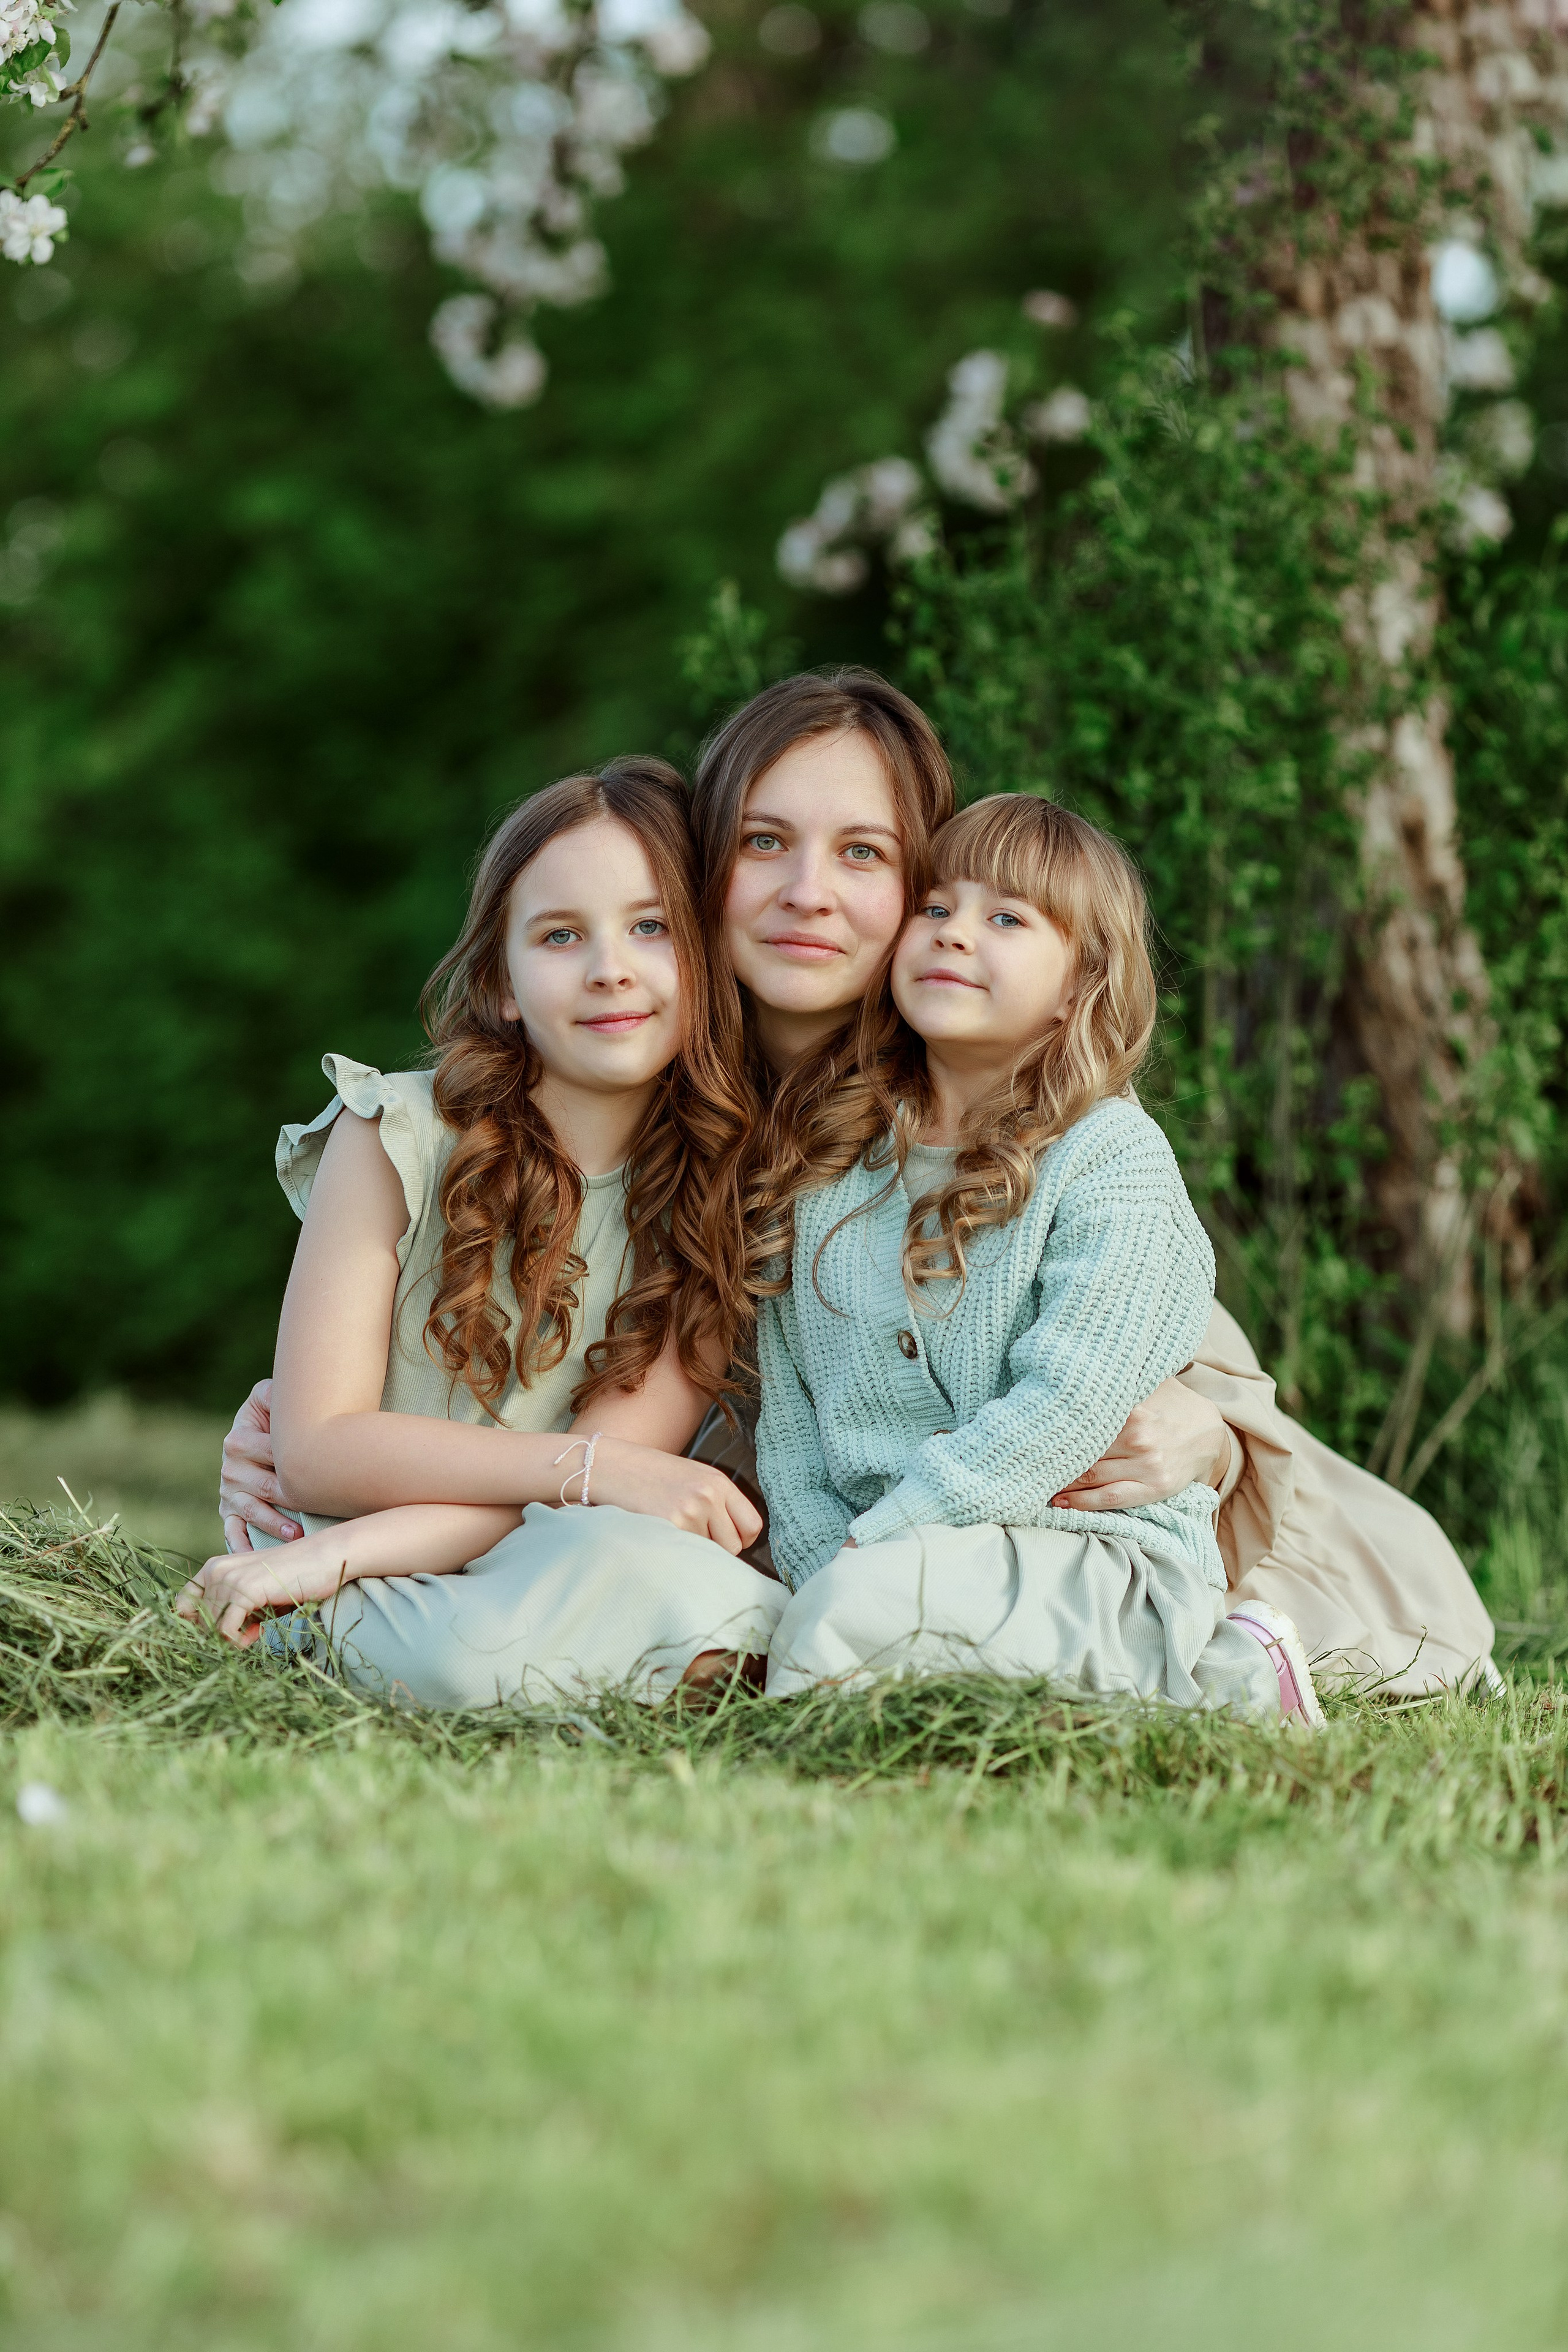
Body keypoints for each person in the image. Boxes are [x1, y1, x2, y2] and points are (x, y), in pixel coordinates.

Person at [216, 668, 1498, 1698]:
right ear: (701, 868)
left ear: (919, 888)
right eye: (764, 842)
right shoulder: (642, 1094)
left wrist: (1211, 1432)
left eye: (863, 855)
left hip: (1079, 1516)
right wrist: (336, 1472)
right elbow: (513, 1376)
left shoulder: (987, 1105)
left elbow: (1125, 1342)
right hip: (789, 1536)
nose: (805, 893)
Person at [178, 760, 786, 1701]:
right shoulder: (392, 1135)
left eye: (652, 926)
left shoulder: (715, 1204)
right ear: (502, 983)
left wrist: (597, 1478)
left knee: (713, 1604)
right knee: (486, 1653)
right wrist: (325, 1563)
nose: (609, 966)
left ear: (706, 960)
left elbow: (606, 1490)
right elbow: (317, 1450)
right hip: (358, 1554)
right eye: (559, 935)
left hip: (541, 1554)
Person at [745, 793, 1314, 1712]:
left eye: (1005, 918)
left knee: (852, 1641)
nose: (954, 934)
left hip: (1087, 1556)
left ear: (1077, 989)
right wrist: (823, 1567)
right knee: (830, 1638)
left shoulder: (1107, 1159)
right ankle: (1213, 1686)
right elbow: (792, 1423)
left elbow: (1070, 1399)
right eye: (935, 908)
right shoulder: (825, 1165)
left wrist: (884, 1547)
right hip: (877, 1562)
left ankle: (1221, 1671)